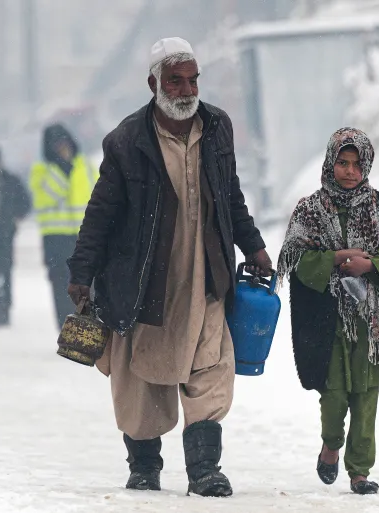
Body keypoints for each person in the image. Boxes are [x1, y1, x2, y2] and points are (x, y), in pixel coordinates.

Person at [66, 37, 272, 497]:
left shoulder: (218, 127)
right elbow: (101, 212)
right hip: (143, 280)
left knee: (210, 366)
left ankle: (203, 471)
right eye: (175, 80)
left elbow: (231, 194)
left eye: (192, 79)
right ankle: (144, 466)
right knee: (140, 376)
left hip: (206, 276)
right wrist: (82, 271)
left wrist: (253, 245)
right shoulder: (125, 142)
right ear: (153, 83)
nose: (186, 89)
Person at [278, 128, 379, 495]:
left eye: (356, 164)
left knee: (367, 395)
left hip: (370, 319)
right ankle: (331, 444)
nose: (349, 171)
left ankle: (360, 471)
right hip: (327, 318)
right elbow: (294, 256)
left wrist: (371, 266)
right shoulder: (309, 209)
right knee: (333, 396)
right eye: (342, 163)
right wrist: (333, 259)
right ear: (330, 162)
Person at [29, 123, 97, 329]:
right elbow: (45, 198)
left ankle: (87, 328)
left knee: (88, 284)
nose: (62, 148)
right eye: (56, 144)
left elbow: (100, 197)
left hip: (84, 236)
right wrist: (62, 169)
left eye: (64, 142)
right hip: (55, 237)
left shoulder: (85, 166)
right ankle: (66, 327)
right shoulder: (41, 171)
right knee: (61, 285)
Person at [0, 146, 31, 327]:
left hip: (4, 235)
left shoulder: (10, 180)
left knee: (5, 271)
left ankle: (5, 307)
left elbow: (25, 202)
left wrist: (14, 217)